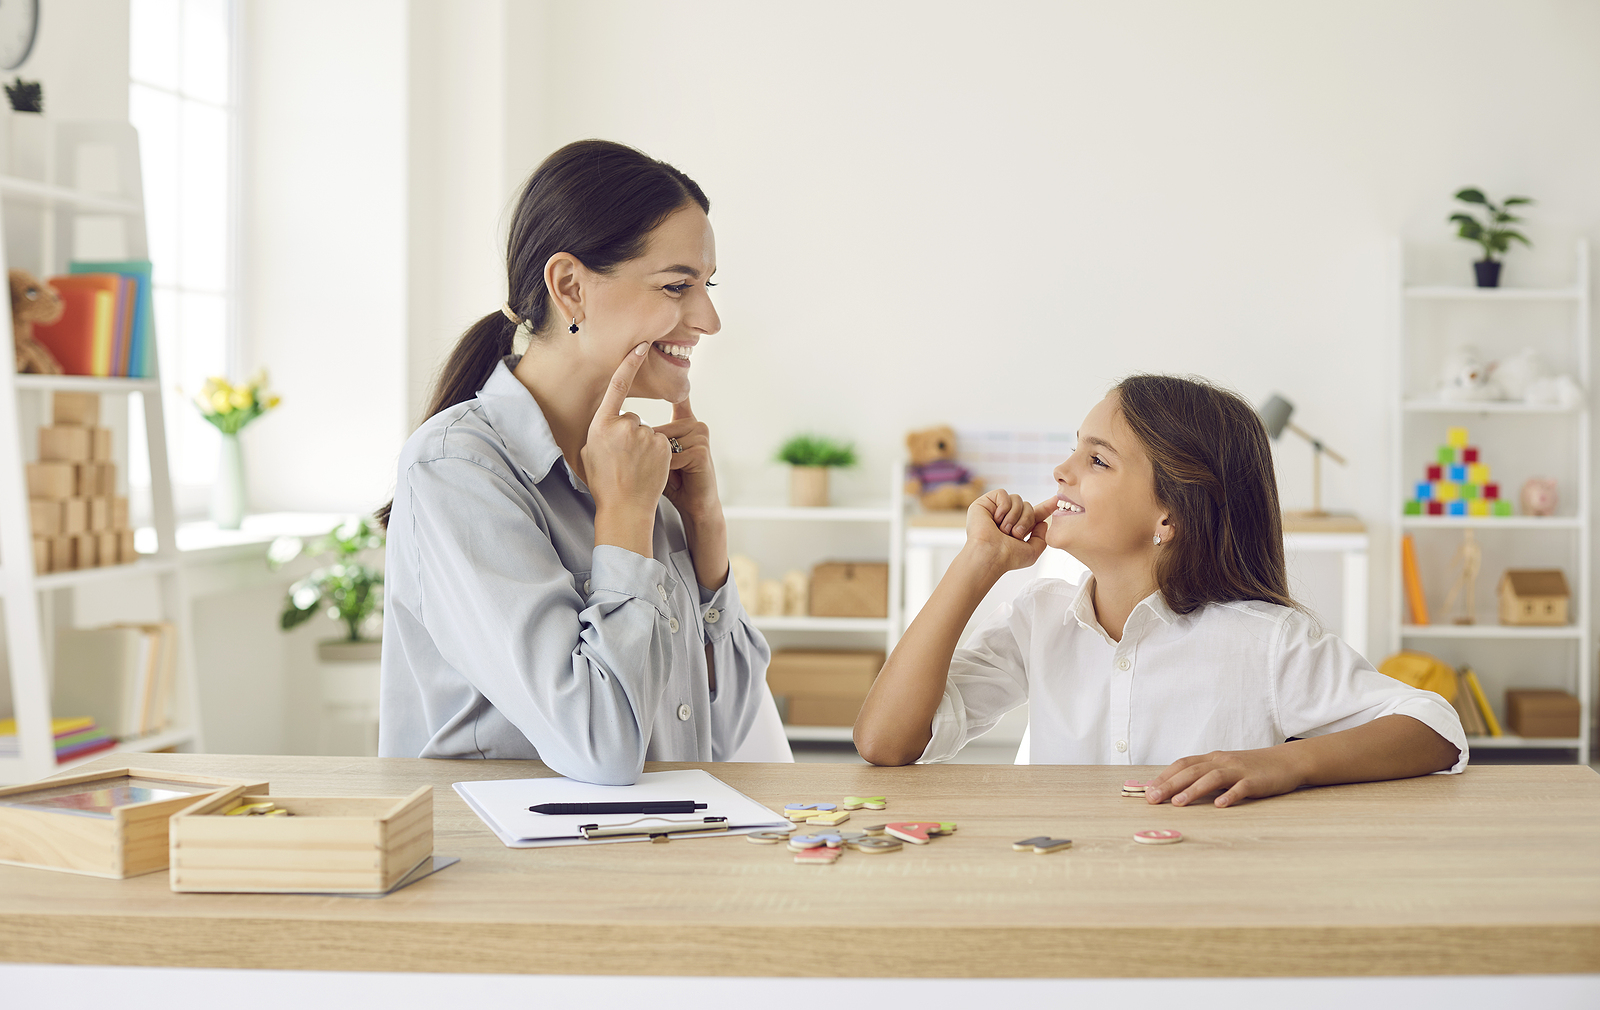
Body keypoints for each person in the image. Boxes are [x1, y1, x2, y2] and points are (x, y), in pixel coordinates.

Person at [853, 375, 1466, 806]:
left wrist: (1284, 764)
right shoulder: (1039, 617)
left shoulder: (1265, 640)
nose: (1062, 471)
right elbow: (885, 742)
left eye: (1098, 461)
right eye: (1074, 451)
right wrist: (977, 562)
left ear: (1169, 518)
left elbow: (1433, 725)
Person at [377, 139, 785, 784]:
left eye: (706, 287)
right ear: (570, 287)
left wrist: (705, 529)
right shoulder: (458, 469)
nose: (707, 318)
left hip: (650, 856)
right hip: (513, 874)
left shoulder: (638, 467)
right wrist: (623, 519)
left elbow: (722, 731)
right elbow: (603, 748)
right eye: (677, 285)